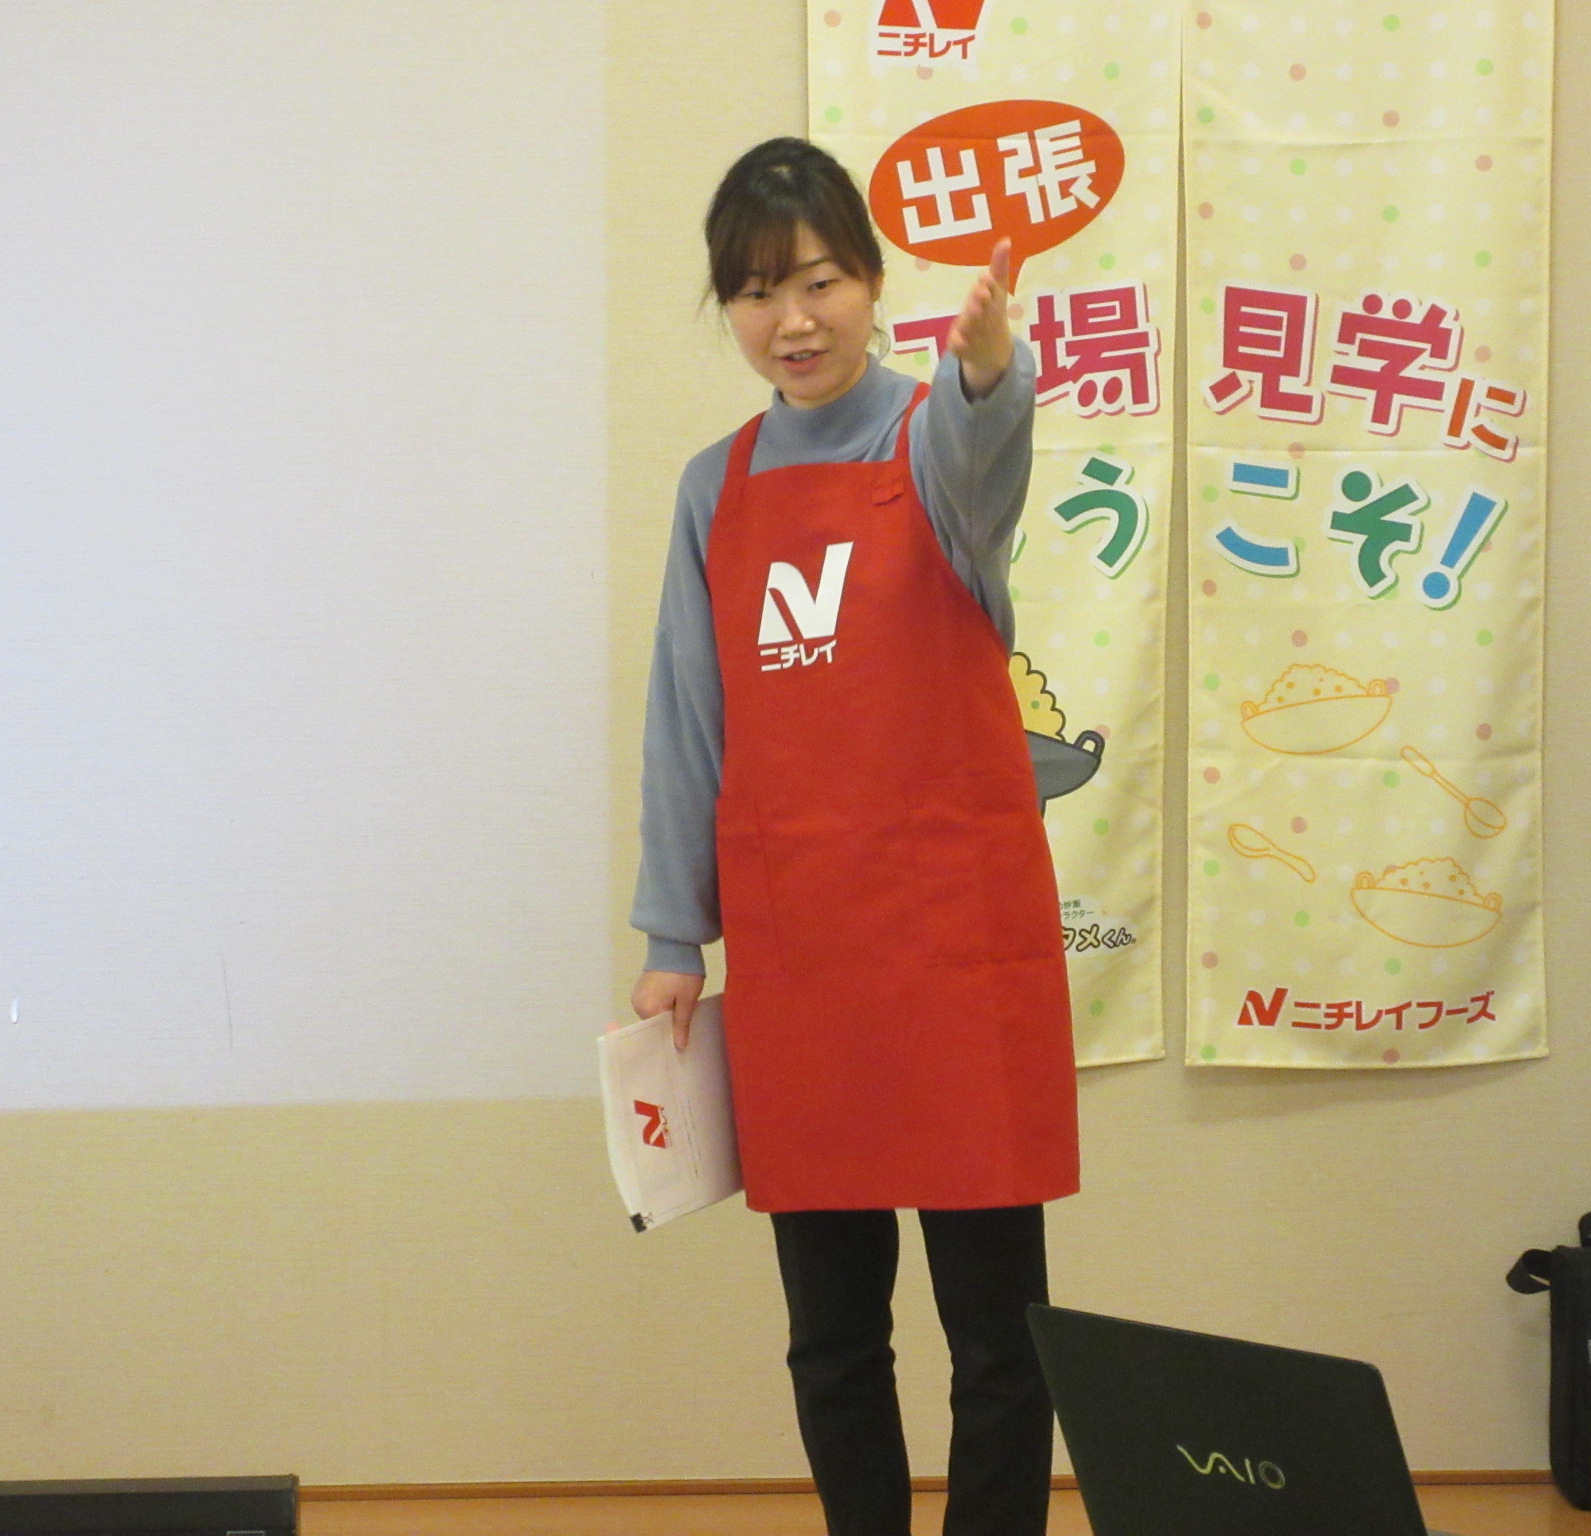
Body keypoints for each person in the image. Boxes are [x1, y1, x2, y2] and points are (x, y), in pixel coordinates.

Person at [629, 136, 1080, 1536]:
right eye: (757, 291)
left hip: (958, 954)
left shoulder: (931, 443)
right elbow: (687, 722)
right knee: (832, 1338)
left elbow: (981, 459)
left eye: (820, 281)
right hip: (805, 958)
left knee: (999, 1339)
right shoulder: (713, 487)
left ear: (874, 283)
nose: (794, 319)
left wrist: (988, 372)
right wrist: (671, 935)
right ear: (728, 307)